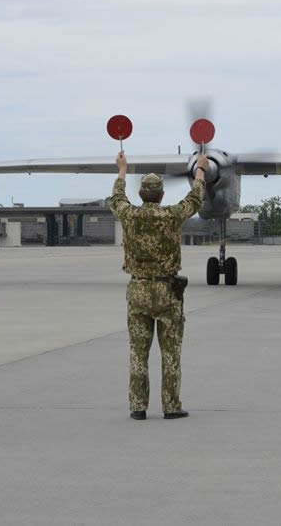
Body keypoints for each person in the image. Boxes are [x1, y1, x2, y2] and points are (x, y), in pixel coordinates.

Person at [109, 150, 208, 420]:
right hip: (167, 292)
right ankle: (171, 406)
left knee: (138, 352)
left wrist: (122, 170)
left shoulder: (129, 215)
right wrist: (200, 170)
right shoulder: (170, 215)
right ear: (161, 195)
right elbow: (195, 199)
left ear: (141, 194)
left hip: (138, 291)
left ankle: (138, 407)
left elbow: (117, 199)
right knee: (171, 353)